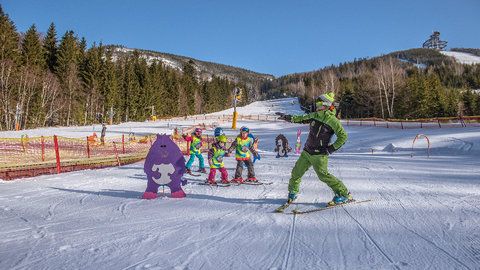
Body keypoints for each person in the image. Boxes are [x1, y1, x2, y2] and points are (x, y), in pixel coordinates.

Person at [280, 92, 352, 206]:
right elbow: (301, 118)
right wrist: (286, 117)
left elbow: (343, 137)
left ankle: (343, 194)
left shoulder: (332, 120)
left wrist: (330, 149)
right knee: (296, 172)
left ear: (325, 105)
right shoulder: (315, 115)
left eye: (319, 103)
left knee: (323, 176)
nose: (316, 105)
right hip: (307, 151)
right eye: (316, 103)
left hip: (320, 154)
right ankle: (293, 192)